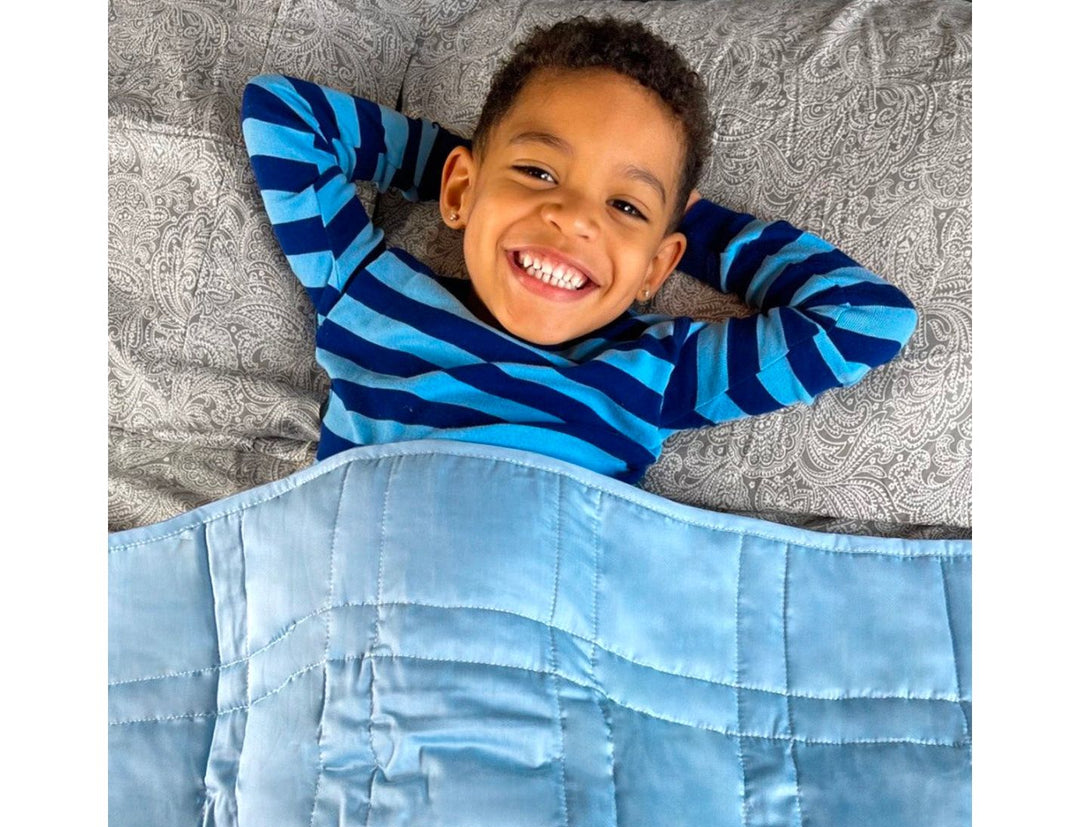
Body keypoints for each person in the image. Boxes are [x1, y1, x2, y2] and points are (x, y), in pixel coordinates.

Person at [240, 15, 916, 484]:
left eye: (624, 206)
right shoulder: (367, 292)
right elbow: (282, 117)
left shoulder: (654, 371)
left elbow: (866, 319)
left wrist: (681, 229)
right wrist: (474, 172)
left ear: (658, 266)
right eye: (538, 173)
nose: (572, 218)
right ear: (458, 191)